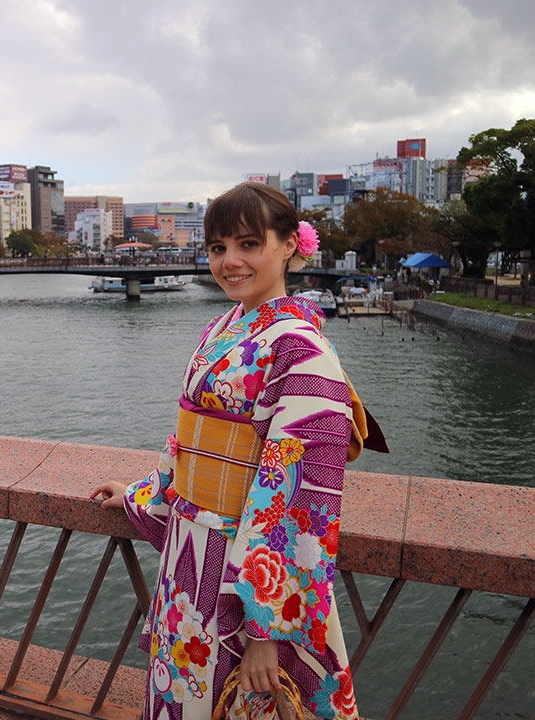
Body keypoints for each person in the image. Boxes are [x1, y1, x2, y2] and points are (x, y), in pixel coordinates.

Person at [92, 182, 385, 720]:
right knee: (186, 695)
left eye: (249, 244)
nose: (231, 262)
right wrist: (143, 494)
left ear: (290, 245)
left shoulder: (302, 349)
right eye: (218, 247)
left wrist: (266, 629)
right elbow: (187, 440)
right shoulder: (221, 327)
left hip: (242, 571)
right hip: (189, 556)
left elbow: (297, 492)